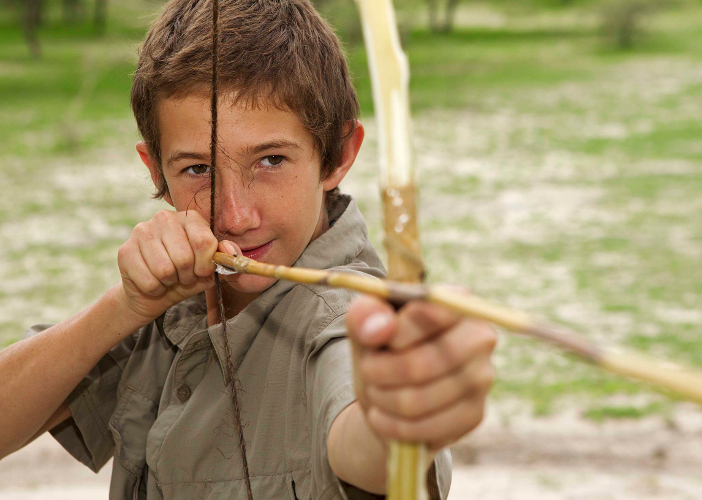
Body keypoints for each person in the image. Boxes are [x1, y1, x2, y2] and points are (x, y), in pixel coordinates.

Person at [0, 0, 497, 498]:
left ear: (338, 155)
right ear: (155, 171)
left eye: (271, 160)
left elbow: (370, 443)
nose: (236, 216)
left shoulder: (347, 315)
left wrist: (398, 421)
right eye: (197, 169)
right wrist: (123, 308)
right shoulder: (173, 302)